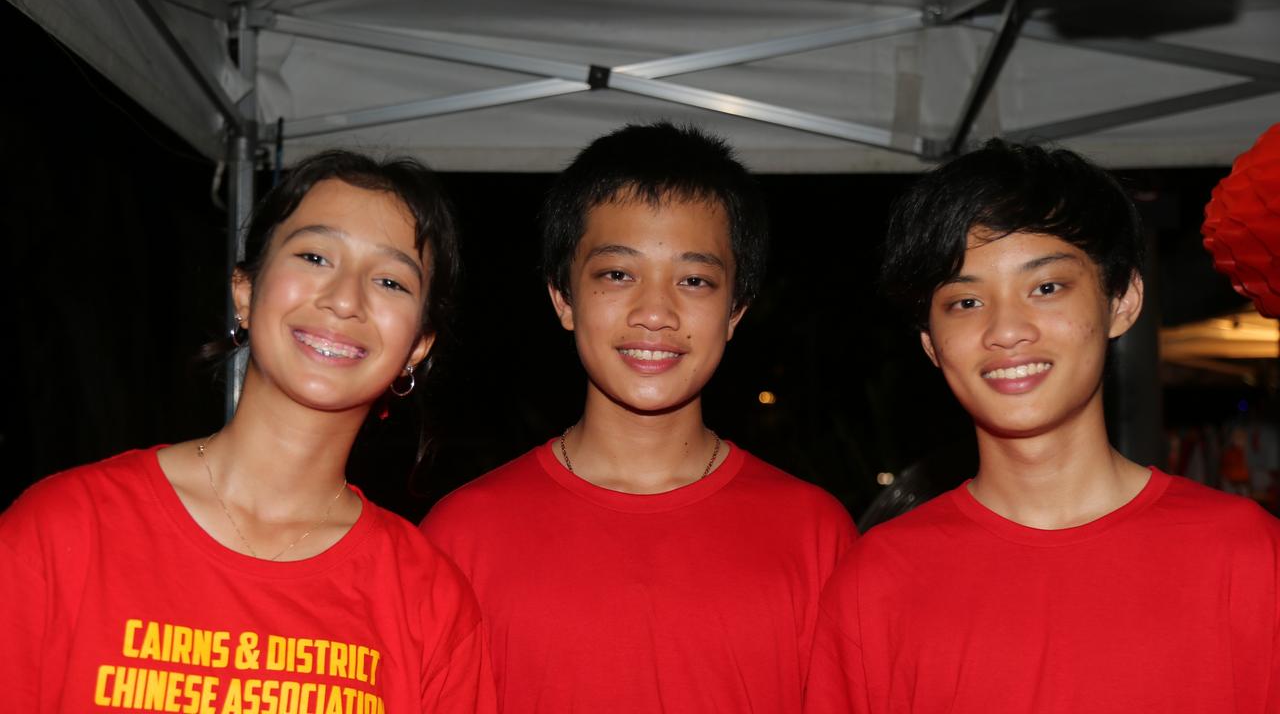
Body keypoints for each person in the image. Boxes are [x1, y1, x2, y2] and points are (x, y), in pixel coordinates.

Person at [0, 151, 495, 713]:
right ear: (244, 289)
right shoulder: (62, 531)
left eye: (389, 280)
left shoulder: (428, 601)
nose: (344, 300)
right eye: (314, 256)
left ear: (418, 346)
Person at [803, 140, 1280, 713]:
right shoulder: (877, 581)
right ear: (930, 343)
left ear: (1123, 300)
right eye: (965, 302)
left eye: (1046, 288)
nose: (1006, 329)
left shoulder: (1245, 555)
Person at [421, 122, 857, 712]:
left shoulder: (816, 536)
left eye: (695, 280)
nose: (655, 312)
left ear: (735, 312)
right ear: (563, 299)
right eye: (618, 274)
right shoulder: (461, 535)